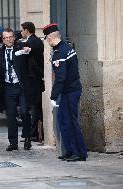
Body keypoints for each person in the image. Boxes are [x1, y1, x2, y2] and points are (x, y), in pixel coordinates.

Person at [43, 23, 87, 161]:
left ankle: (78, 153)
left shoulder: (60, 53)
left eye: (46, 39)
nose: (47, 42)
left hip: (70, 92)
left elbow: (61, 77)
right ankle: (70, 150)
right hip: (70, 90)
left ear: (50, 38)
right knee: (63, 121)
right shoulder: (67, 48)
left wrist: (53, 95)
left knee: (70, 122)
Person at [0, 28, 32, 151]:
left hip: (21, 86)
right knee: (11, 116)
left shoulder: (20, 48)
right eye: (5, 38)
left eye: (10, 37)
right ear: (3, 40)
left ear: (14, 37)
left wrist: (27, 49)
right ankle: (13, 142)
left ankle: (27, 138)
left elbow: (29, 52)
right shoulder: (0, 53)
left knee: (24, 112)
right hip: (8, 86)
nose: (8, 39)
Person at [18, 22, 45, 142]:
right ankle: (34, 132)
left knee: (35, 107)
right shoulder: (34, 41)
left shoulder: (32, 42)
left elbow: (25, 47)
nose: (21, 32)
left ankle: (34, 133)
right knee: (35, 107)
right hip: (34, 78)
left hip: (33, 79)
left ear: (27, 30)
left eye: (22, 30)